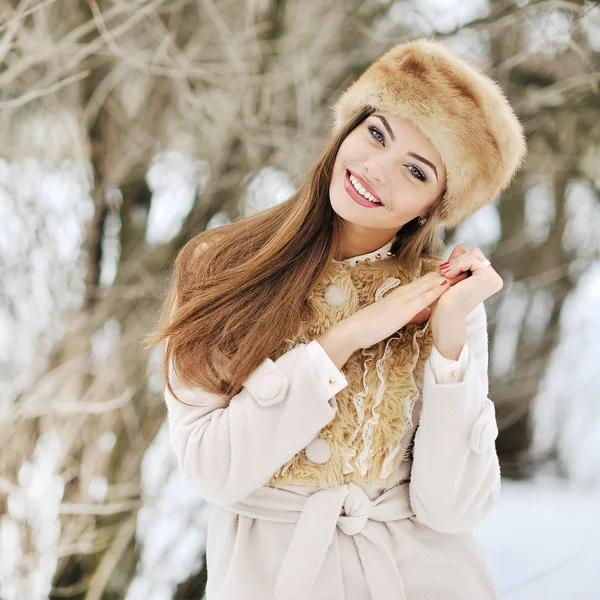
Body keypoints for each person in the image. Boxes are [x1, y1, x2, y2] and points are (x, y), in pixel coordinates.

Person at [144, 37, 527, 600]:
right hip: (271, 576)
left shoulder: (443, 300)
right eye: (376, 134)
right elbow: (212, 470)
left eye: (416, 172)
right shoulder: (220, 267)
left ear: (434, 206)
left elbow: (453, 509)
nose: (375, 170)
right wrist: (342, 341)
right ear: (348, 127)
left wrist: (448, 341)